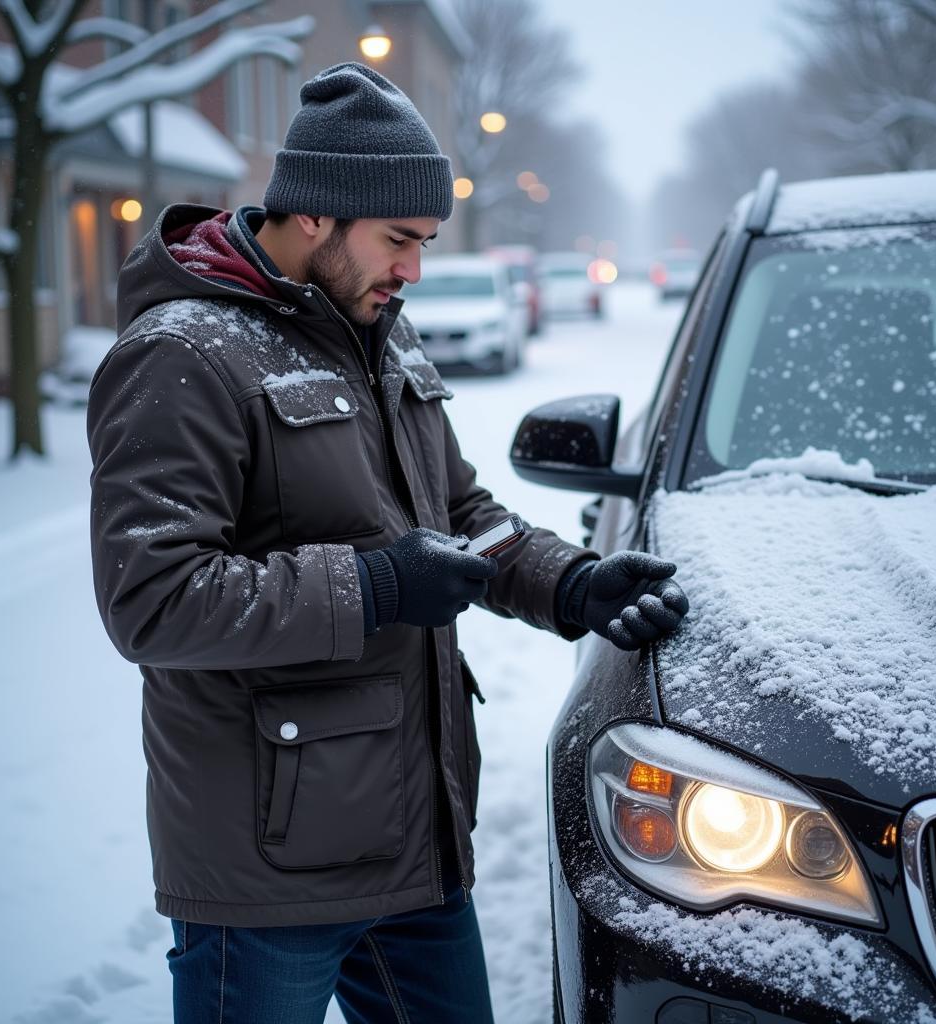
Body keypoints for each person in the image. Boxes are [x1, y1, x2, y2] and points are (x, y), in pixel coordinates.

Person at [87, 62, 688, 1024]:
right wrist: (371, 586)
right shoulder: (185, 353)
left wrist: (569, 584)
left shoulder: (382, 330)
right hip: (267, 870)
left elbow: (461, 513)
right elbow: (151, 597)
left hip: (415, 843)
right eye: (399, 239)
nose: (414, 269)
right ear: (316, 214)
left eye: (425, 242)